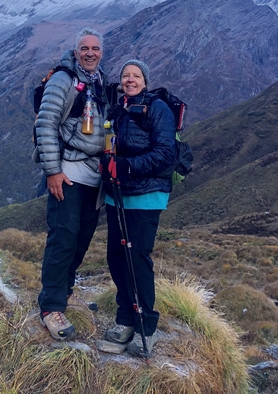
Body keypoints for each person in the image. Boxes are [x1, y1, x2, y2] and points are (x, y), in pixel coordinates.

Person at [35, 28, 110, 341]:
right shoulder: (63, 80)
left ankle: (64, 294)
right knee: (63, 239)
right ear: (76, 51)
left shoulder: (101, 81)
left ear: (101, 52)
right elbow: (45, 122)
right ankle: (50, 306)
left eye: (95, 48)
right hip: (67, 173)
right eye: (84, 48)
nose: (90, 53)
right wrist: (52, 170)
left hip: (94, 177)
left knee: (80, 240)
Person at [102, 59, 176, 356]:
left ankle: (146, 325)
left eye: (135, 75)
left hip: (146, 195)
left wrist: (126, 167)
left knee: (137, 257)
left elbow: (165, 153)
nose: (130, 80)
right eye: (125, 75)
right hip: (116, 194)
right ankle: (124, 319)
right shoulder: (117, 109)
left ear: (145, 80)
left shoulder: (157, 108)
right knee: (117, 256)